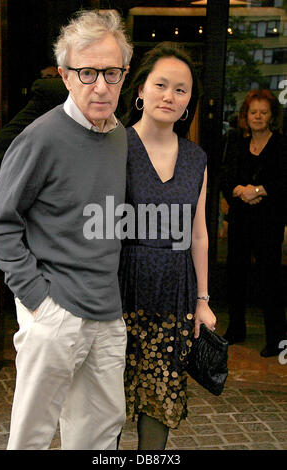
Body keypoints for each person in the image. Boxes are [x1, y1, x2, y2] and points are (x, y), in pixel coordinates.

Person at [0, 9, 133, 450]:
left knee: (99, 435)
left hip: (107, 314)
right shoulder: (40, 137)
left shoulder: (120, 136)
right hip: (55, 313)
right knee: (31, 437)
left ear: (125, 74)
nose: (101, 85)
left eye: (112, 72)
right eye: (88, 72)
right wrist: (37, 300)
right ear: (66, 76)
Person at [118, 42, 216, 450]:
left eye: (181, 89)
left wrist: (203, 299)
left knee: (160, 395)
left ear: (189, 100)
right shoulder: (114, 146)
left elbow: (198, 233)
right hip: (117, 289)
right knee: (104, 397)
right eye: (161, 84)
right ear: (140, 90)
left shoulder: (197, 158)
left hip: (172, 294)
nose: (169, 96)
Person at [220, 89, 287, 357]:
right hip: (240, 218)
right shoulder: (236, 142)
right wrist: (239, 190)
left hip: (268, 221)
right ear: (246, 116)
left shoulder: (282, 145)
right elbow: (225, 176)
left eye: (263, 112)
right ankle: (236, 329)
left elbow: (284, 182)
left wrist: (258, 191)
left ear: (272, 116)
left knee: (269, 278)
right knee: (235, 274)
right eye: (253, 112)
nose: (258, 116)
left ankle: (277, 338)